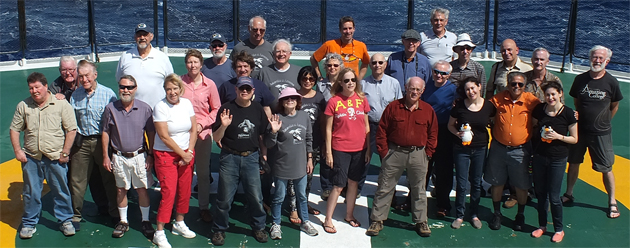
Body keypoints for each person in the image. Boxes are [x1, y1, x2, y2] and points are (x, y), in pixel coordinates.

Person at [365, 76, 438, 237]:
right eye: (412, 88)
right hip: (394, 153)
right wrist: (385, 152)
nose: (414, 92)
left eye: (418, 90)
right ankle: (377, 220)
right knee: (385, 187)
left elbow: (433, 134)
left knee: (419, 189)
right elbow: (382, 130)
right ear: (406, 88)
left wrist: (428, 154)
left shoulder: (427, 110)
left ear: (422, 91)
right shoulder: (393, 107)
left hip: (418, 154)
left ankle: (421, 221)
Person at [10, 72, 77, 239]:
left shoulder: (61, 104)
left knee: (61, 190)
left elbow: (71, 129)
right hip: (32, 157)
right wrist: (18, 151)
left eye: (37, 87)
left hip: (55, 157)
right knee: (31, 191)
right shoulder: (23, 106)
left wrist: (65, 152)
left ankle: (65, 220)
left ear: (46, 86)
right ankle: (29, 222)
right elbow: (14, 129)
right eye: (31, 88)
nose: (34, 91)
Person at [564, 45, 623, 219]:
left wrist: (603, 121)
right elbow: (576, 101)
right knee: (573, 163)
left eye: (601, 58)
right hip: (579, 131)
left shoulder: (611, 82)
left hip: (601, 133)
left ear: (607, 61)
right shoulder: (580, 79)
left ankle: (612, 201)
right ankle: (569, 193)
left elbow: (615, 106)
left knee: (606, 168)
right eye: (594, 57)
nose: (597, 61)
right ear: (590, 58)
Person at [211, 77, 270, 246]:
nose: (244, 91)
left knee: (256, 197)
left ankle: (259, 226)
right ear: (236, 90)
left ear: (253, 92)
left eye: (248, 89)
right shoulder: (226, 108)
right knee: (224, 198)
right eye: (241, 88)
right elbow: (216, 137)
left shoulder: (258, 109)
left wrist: (263, 156)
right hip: (230, 157)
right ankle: (219, 229)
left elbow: (261, 136)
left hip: (251, 157)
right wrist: (223, 125)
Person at [101, 75, 156, 239]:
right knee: (120, 189)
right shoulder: (110, 109)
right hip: (119, 157)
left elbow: (151, 133)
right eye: (123, 87)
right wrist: (106, 155)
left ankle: (145, 221)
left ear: (135, 89)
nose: (126, 90)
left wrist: (151, 155)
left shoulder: (145, 108)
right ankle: (123, 221)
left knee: (142, 189)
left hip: (139, 156)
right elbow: (105, 132)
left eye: (129, 87)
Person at [485, 72, 540, 231]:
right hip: (498, 148)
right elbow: (482, 110)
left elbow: (549, 111)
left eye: (520, 84)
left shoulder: (531, 101)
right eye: (513, 84)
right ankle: (496, 213)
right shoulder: (498, 99)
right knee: (497, 182)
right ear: (508, 85)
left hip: (521, 150)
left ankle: (520, 214)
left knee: (522, 185)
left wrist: (572, 116)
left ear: (525, 86)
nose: (516, 87)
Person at [69, 60, 119, 230]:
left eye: (87, 75)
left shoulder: (108, 94)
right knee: (77, 180)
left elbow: (114, 122)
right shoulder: (75, 96)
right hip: (81, 142)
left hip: (101, 142)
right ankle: (75, 215)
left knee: (109, 179)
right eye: (81, 76)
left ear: (95, 75)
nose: (84, 79)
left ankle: (115, 214)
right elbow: (71, 123)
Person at [265, 87, 319, 239]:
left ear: (297, 101)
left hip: (300, 164)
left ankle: (305, 221)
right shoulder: (276, 118)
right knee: (279, 197)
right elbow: (269, 144)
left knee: (302, 196)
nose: (290, 101)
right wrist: (273, 131)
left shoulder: (304, 116)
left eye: (293, 98)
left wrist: (309, 159)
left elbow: (309, 138)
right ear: (282, 102)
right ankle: (276, 224)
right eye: (287, 99)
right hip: (281, 165)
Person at [151, 74, 198, 248]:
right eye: (168, 89)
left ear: (180, 89)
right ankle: (160, 231)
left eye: (175, 88)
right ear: (165, 90)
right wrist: (183, 154)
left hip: (186, 153)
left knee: (185, 190)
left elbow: (193, 129)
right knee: (169, 192)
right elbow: (164, 136)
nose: (172, 92)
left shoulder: (186, 104)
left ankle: (179, 223)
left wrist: (189, 152)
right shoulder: (160, 107)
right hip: (166, 155)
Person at [322, 67, 370, 234]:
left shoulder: (362, 99)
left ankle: (349, 215)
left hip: (359, 149)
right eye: (347, 80)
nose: (350, 83)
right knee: (338, 185)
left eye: (353, 80)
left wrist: (368, 149)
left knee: (353, 183)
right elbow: (328, 129)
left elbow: (366, 126)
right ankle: (328, 219)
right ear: (340, 82)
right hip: (340, 148)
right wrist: (328, 152)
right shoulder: (334, 101)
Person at [530, 82, 577, 243]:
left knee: (554, 196)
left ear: (560, 94)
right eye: (547, 94)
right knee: (541, 194)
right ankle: (542, 225)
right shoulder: (539, 110)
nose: (550, 97)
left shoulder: (568, 113)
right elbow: (533, 127)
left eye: (553, 94)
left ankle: (558, 229)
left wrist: (558, 137)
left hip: (558, 158)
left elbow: (574, 138)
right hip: (540, 156)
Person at [447, 77, 496, 229]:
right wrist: (457, 134)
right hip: (462, 149)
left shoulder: (489, 106)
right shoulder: (459, 106)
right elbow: (450, 125)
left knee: (476, 182)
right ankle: (460, 215)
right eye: (467, 89)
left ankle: (474, 214)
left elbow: (494, 122)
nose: (471, 92)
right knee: (461, 183)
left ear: (479, 87)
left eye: (473, 88)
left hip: (480, 148)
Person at [181, 49, 221, 223]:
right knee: (183, 170)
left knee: (203, 173)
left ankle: (203, 207)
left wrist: (203, 124)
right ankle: (181, 206)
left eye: (196, 62)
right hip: (182, 134)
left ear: (201, 64)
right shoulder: (180, 82)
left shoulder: (209, 85)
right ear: (186, 64)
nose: (192, 65)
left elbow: (216, 109)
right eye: (189, 62)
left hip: (203, 134)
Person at [422, 60, 458, 217]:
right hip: (425, 131)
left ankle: (443, 204)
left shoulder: (453, 90)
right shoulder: (425, 86)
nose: (439, 75)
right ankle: (415, 200)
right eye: (436, 71)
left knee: (444, 169)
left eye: (443, 73)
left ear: (449, 75)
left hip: (444, 132)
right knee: (422, 167)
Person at [115, 23, 174, 108]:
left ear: (151, 36)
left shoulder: (162, 57)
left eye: (145, 35)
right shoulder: (125, 56)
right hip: (133, 110)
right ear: (135, 37)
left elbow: (170, 82)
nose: (142, 38)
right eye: (139, 35)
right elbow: (119, 79)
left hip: (158, 110)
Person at [296, 66, 326, 215]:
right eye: (304, 78)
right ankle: (294, 208)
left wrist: (325, 143)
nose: (307, 81)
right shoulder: (293, 96)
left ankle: (304, 204)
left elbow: (323, 122)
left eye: (311, 79)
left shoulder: (319, 98)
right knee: (293, 176)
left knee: (308, 176)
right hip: (295, 144)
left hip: (313, 144)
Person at [362, 53, 403, 157]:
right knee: (364, 158)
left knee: (387, 158)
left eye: (380, 62)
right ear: (370, 65)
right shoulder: (362, 84)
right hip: (368, 127)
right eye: (374, 63)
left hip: (387, 127)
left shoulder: (394, 83)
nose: (377, 65)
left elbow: (399, 106)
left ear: (385, 65)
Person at [310, 16, 370, 81]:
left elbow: (366, 62)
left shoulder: (361, 46)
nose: (348, 31)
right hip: (333, 84)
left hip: (351, 85)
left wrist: (358, 79)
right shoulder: (329, 44)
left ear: (354, 29)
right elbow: (313, 58)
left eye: (350, 28)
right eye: (345, 29)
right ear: (340, 30)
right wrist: (319, 76)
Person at [217, 51, 274, 118]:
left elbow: (266, 108)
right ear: (235, 69)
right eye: (239, 66)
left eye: (245, 66)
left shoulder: (260, 85)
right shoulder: (226, 86)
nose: (242, 69)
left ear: (251, 68)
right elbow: (219, 107)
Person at [258, 39, 302, 111]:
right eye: (278, 51)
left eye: (284, 51)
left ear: (290, 54)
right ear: (273, 54)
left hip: (292, 116)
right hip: (271, 117)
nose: (281, 54)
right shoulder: (264, 72)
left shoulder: (299, 71)